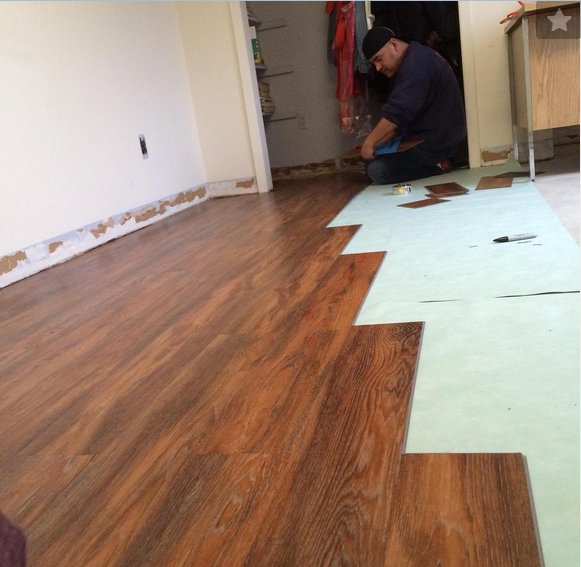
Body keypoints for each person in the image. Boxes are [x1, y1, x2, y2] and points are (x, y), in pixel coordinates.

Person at [360, 27, 466, 185]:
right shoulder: (414, 58)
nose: (378, 67)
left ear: (394, 45)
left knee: (378, 171)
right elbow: (400, 119)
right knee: (372, 163)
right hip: (427, 138)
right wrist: (375, 144)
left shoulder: (417, 64)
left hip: (439, 144)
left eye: (378, 59)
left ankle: (440, 164)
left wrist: (370, 142)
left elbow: (398, 111)